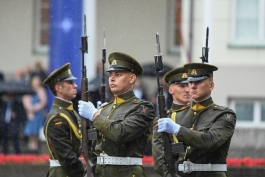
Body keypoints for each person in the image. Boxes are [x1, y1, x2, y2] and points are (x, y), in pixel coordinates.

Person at [78, 52, 155, 177]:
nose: (112, 78)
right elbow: (93, 147)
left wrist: (95, 115)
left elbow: (120, 133)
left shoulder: (142, 108)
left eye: (118, 75)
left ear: (132, 78)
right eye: (110, 75)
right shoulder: (105, 109)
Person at [157, 63, 237, 176]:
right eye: (190, 82)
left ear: (211, 85)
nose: (193, 86)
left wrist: (178, 130)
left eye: (198, 82)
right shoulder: (178, 115)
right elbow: (169, 154)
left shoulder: (224, 115)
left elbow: (210, 142)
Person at [43, 63, 85, 177]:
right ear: (58, 88)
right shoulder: (57, 117)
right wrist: (84, 173)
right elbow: (66, 156)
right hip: (63, 173)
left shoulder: (70, 112)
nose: (75, 86)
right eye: (70, 83)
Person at [152, 67, 191, 176]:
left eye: (189, 85)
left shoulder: (201, 115)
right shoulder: (164, 119)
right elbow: (160, 161)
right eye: (182, 86)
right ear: (171, 90)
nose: (187, 90)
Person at [23, 75, 47, 152]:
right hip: (30, 114)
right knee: (30, 130)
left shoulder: (41, 90)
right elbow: (25, 100)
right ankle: (31, 145)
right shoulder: (29, 90)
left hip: (38, 114)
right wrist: (30, 108)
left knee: (36, 130)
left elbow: (43, 102)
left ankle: (35, 145)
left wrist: (35, 108)